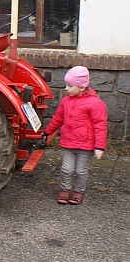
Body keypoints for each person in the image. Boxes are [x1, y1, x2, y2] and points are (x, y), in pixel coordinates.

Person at [42, 66, 108, 205]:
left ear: (82, 87)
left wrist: (99, 147)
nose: (66, 88)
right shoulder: (66, 101)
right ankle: (65, 189)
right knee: (66, 169)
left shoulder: (95, 104)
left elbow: (100, 126)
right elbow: (58, 118)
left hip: (85, 146)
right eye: (66, 85)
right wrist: (47, 132)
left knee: (80, 171)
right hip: (68, 143)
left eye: (70, 86)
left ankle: (78, 191)